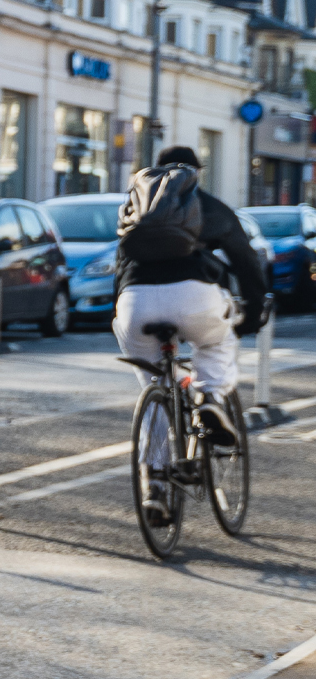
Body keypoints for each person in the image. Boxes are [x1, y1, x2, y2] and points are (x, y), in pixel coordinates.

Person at [114, 145, 267, 527]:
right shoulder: (206, 204)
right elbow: (245, 261)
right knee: (217, 341)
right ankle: (211, 398)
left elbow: (119, 266)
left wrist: (118, 316)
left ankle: (155, 489)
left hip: (135, 301)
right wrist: (251, 314)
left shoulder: (136, 206)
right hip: (195, 295)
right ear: (194, 171)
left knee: (153, 390)